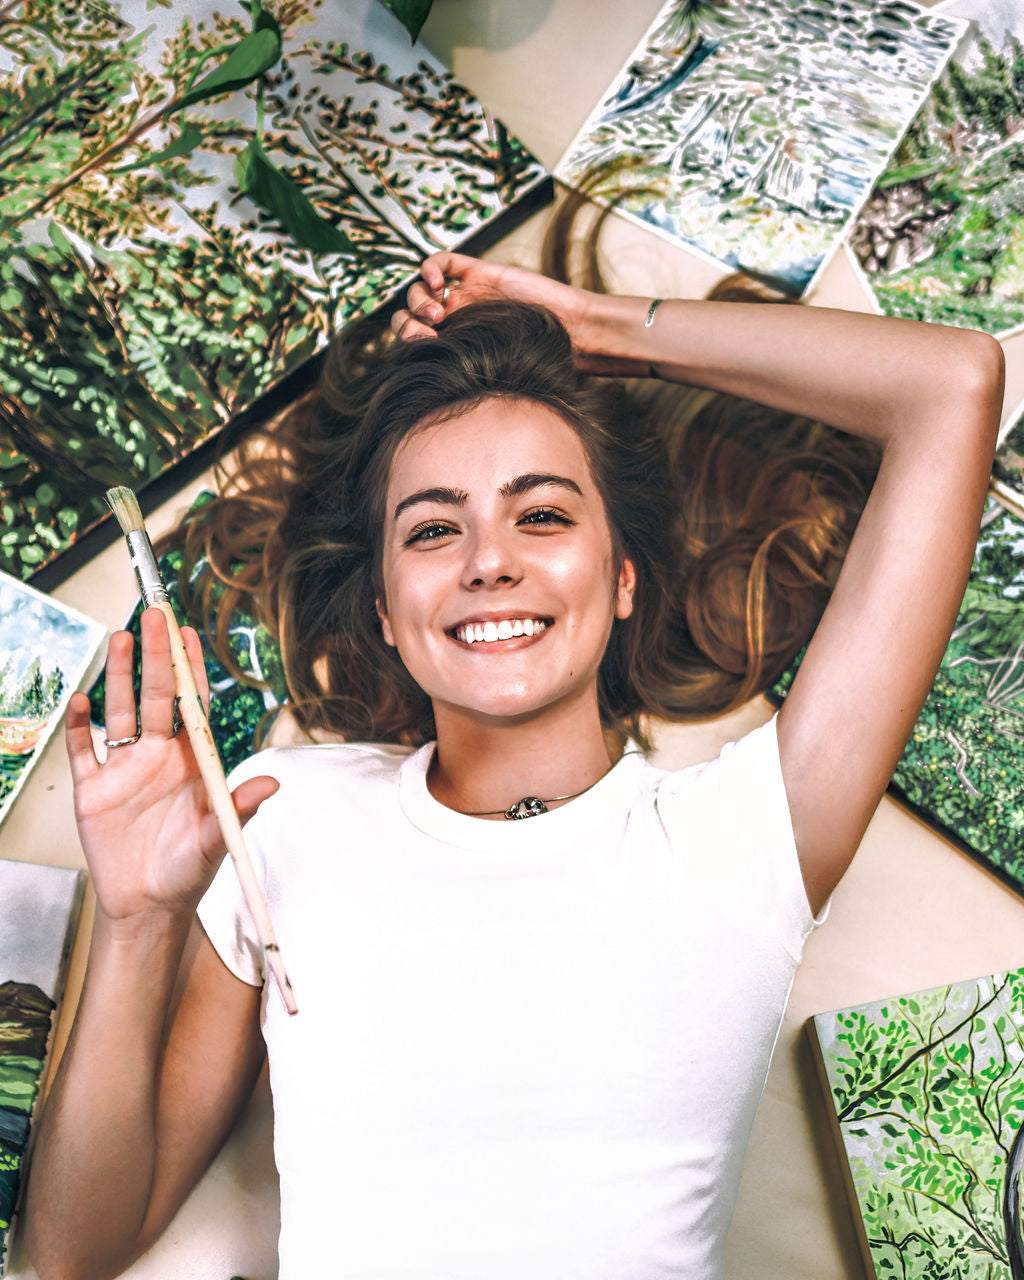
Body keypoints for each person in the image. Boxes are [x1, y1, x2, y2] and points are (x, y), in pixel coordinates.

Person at [24, 250, 1003, 1280]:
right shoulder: (283, 810)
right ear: (384, 614)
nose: (489, 558)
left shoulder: (748, 835)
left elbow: (950, 384)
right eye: (434, 528)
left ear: (621, 577)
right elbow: (72, 1255)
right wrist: (139, 922)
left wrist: (593, 327)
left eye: (541, 513)